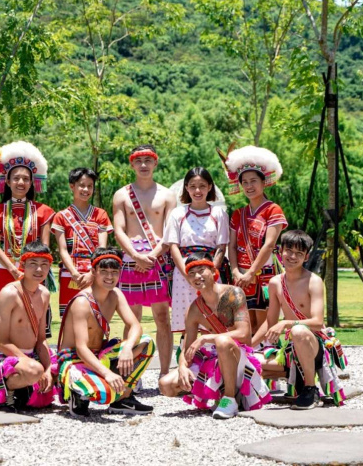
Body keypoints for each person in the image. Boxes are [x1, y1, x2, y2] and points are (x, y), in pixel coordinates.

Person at [158, 253, 271, 419]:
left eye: (201, 270)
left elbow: (244, 335)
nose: (197, 276)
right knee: (166, 385)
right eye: (191, 274)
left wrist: (205, 338)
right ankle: (216, 392)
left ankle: (230, 399)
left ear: (212, 271)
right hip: (214, 358)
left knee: (223, 341)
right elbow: (187, 348)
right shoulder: (194, 309)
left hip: (239, 358)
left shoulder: (234, 294)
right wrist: (182, 366)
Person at [253, 230, 348, 409]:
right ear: (280, 251)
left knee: (298, 331)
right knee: (249, 359)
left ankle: (310, 389)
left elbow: (318, 322)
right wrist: (248, 346)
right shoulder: (274, 283)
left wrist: (286, 323)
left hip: (314, 345)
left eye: (299, 253)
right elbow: (270, 321)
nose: (292, 256)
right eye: (289, 251)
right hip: (290, 350)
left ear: (306, 257)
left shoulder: (314, 281)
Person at [57, 247, 156, 417]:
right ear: (93, 271)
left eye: (114, 271)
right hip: (75, 359)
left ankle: (123, 398)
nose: (109, 277)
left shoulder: (115, 294)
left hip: (100, 355)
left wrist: (127, 348)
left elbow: (135, 326)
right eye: (104, 271)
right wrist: (108, 374)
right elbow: (81, 348)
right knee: (106, 392)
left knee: (147, 342)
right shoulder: (82, 302)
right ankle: (77, 395)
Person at [0, 241, 56, 412]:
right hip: (5, 355)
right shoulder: (9, 293)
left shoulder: (44, 294)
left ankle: (23, 390)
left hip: (31, 354)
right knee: (35, 370)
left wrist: (49, 369)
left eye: (44, 265)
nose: (39, 270)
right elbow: (1, 342)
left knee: (61, 367)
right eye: (33, 264)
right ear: (22, 265)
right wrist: (31, 363)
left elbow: (41, 339)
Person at [112, 144, 176, 380]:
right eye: (138, 161)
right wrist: (136, 256)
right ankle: (131, 374)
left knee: (162, 317)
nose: (144, 165)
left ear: (155, 163)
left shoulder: (167, 195)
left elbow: (170, 231)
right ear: (132, 164)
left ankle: (165, 372)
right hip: (131, 258)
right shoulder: (121, 195)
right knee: (132, 318)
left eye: (148, 160)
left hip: (158, 259)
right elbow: (118, 230)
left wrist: (152, 256)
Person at [0, 141, 55, 321]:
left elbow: (44, 246)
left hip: (34, 271)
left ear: (32, 182)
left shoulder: (44, 211)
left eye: (25, 179)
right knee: (5, 317)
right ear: (7, 181)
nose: (21, 182)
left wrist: (34, 267)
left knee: (32, 317)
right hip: (5, 269)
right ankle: (4, 349)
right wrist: (13, 269)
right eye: (16, 178)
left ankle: (32, 349)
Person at [223, 145, 288, 334]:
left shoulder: (272, 210)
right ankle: (247, 359)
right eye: (245, 182)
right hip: (241, 275)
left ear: (263, 182)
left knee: (265, 320)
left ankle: (263, 359)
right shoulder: (238, 214)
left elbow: (269, 244)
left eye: (253, 181)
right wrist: (235, 271)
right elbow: (232, 246)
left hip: (264, 273)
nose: (249, 186)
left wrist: (251, 272)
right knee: (244, 323)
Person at [162, 167, 230, 336]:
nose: (197, 190)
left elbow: (221, 246)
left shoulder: (219, 213)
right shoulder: (178, 214)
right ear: (186, 188)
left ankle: (211, 359)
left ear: (210, 187)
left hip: (211, 272)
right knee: (187, 325)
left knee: (212, 322)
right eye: (192, 186)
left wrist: (211, 273)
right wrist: (187, 274)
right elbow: (173, 246)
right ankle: (188, 358)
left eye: (202, 186)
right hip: (184, 272)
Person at [52, 167, 113, 317]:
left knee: (96, 317)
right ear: (72, 186)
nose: (86, 189)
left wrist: (92, 274)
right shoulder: (61, 216)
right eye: (81, 185)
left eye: (90, 186)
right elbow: (63, 250)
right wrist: (74, 273)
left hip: (95, 274)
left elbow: (102, 250)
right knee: (70, 318)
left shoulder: (101, 215)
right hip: (71, 275)